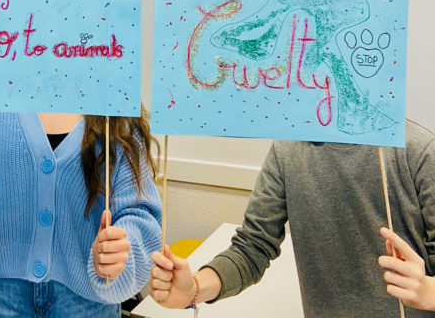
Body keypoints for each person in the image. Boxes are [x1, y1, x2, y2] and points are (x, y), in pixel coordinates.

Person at [149, 120, 435, 317]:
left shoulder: (420, 151)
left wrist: (427, 292)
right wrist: (194, 289)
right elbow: (252, 248)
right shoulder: (289, 150)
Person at [0, 110, 162, 317]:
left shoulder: (116, 113)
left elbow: (139, 212)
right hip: (1, 300)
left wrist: (121, 249)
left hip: (89, 304)